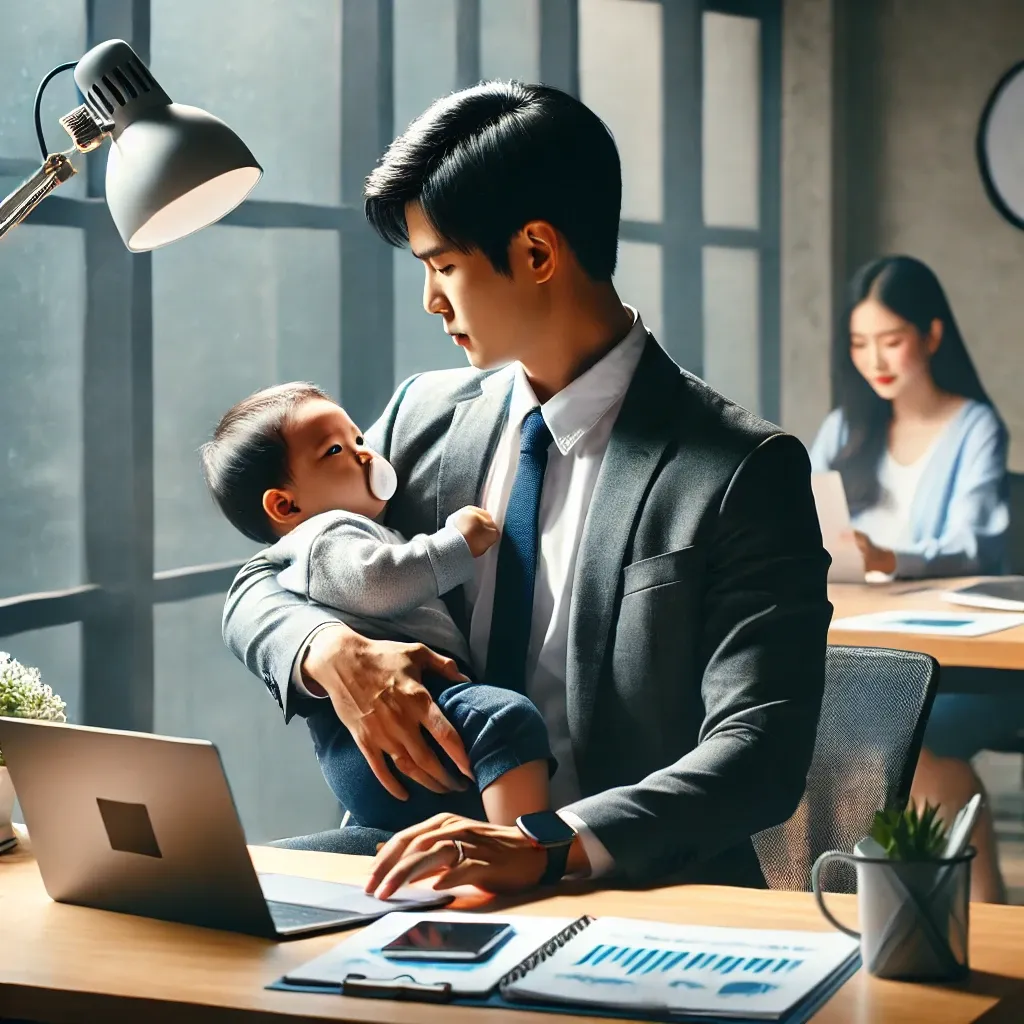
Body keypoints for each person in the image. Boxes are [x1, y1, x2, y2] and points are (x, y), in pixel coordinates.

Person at [223, 81, 831, 897]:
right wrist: (329, 651)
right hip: (413, 858)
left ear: (538, 253)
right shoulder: (423, 416)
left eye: (443, 266)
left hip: (627, 885)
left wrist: (548, 844)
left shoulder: (740, 469)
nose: (430, 300)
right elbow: (261, 585)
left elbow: (760, 750)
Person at [200, 382, 556, 834]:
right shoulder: (328, 532)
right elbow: (377, 582)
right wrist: (455, 546)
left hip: (411, 744)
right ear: (285, 504)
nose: (366, 454)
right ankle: (525, 856)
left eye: (359, 441)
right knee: (504, 720)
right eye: (336, 450)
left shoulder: (345, 526)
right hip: (393, 730)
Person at [810, 254, 1016, 903]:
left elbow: (975, 541)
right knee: (816, 708)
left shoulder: (974, 425)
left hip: (966, 659)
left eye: (892, 341)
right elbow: (807, 518)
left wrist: (891, 557)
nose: (877, 360)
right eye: (860, 344)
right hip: (869, 639)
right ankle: (855, 902)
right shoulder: (844, 428)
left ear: (931, 335)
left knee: (909, 722)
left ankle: (978, 906)